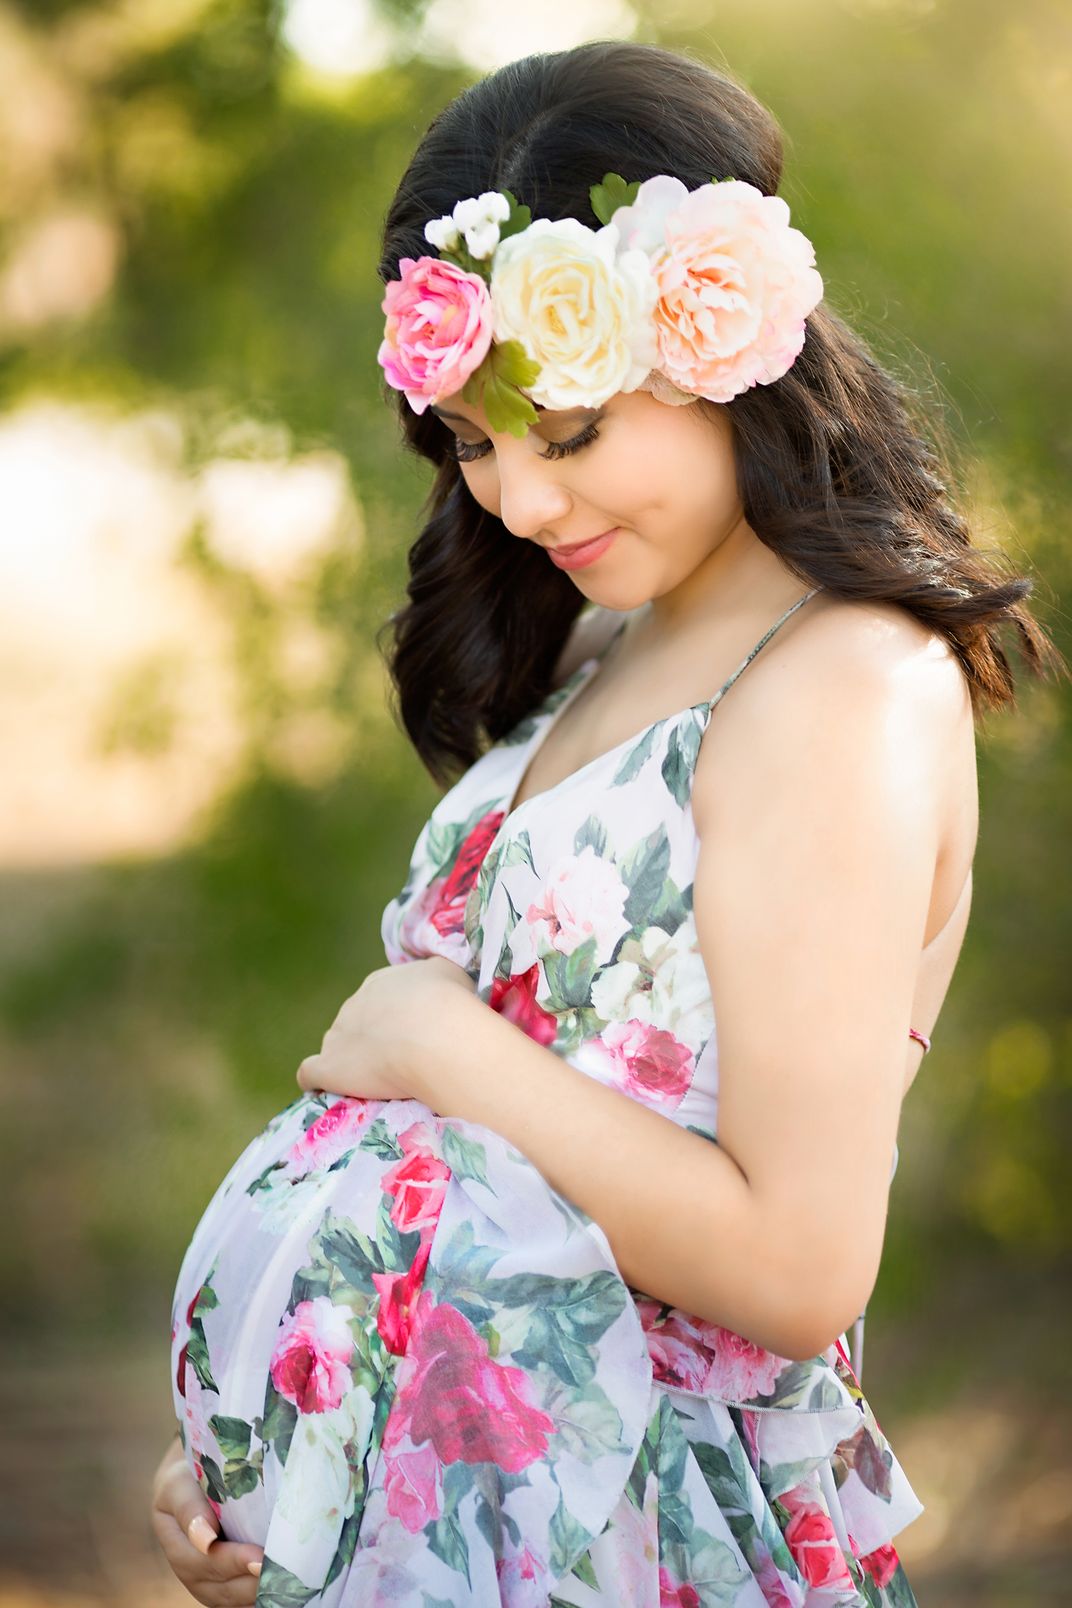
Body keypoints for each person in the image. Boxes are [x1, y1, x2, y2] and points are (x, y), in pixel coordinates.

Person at [149, 38, 1065, 1608]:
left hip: (642, 1528)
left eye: (567, 434)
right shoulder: (603, 645)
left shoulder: (841, 685)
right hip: (437, 1524)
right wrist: (269, 1434)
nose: (517, 503)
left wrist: (441, 1051)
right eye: (473, 444)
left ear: (725, 348)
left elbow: (797, 1264)